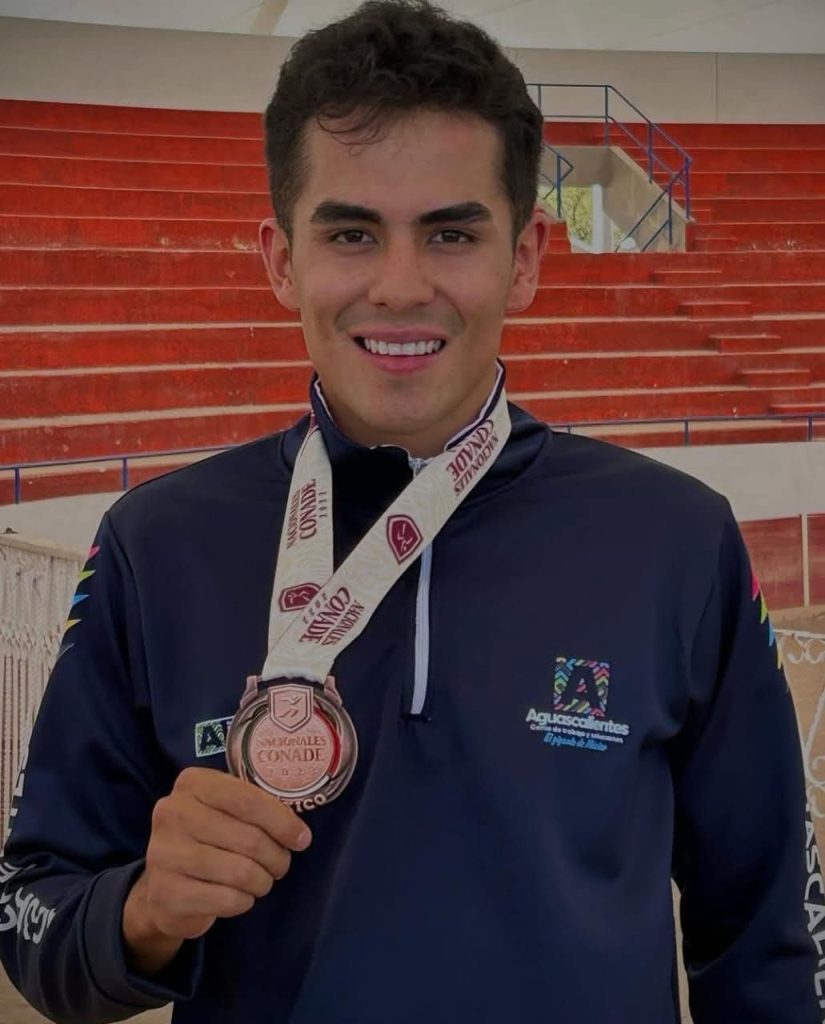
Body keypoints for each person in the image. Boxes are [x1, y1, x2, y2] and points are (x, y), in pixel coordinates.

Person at [0, 2, 822, 1021]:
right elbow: (30, 916)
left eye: (451, 234)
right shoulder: (156, 545)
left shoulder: (676, 540)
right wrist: (142, 912)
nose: (400, 286)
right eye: (351, 233)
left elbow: (771, 943)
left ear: (525, 258)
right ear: (282, 260)